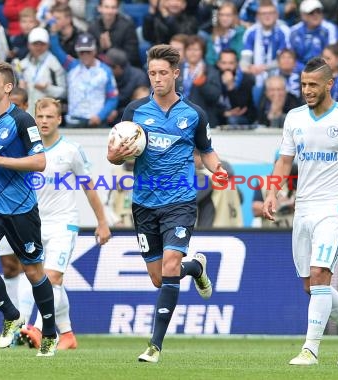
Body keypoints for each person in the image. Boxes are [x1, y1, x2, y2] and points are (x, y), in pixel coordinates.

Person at [263, 56, 338, 366]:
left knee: (320, 275)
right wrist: (272, 191)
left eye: (313, 84)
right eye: (303, 84)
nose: (307, 90)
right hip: (303, 207)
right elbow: (283, 160)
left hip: (336, 205)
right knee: (310, 285)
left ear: (330, 84)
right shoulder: (294, 118)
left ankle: (311, 349)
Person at [107, 44, 226, 363]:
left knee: (170, 266)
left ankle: (154, 345)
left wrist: (219, 170)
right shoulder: (134, 111)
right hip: (144, 203)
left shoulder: (194, 115)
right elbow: (113, 153)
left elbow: (207, 150)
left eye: (163, 73)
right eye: (152, 73)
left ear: (176, 73)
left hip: (180, 202)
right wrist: (116, 155)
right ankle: (196, 266)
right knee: (160, 277)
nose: (157, 79)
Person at [0, 61, 58, 357]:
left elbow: (39, 162)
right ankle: (11, 315)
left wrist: (2, 161)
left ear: (7, 88)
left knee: (33, 272)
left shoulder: (22, 120)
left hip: (21, 209)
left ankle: (50, 334)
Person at [20, 97, 112, 350]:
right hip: (34, 226)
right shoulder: (25, 149)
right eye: (40, 117)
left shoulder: (71, 150)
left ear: (59, 119)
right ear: (34, 119)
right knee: (47, 282)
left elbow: (89, 188)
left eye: (50, 117)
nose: (44, 121)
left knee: (52, 278)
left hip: (64, 223)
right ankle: (68, 335)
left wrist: (102, 222)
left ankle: (37, 329)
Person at [50, 32, 119, 128]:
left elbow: (112, 98)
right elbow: (55, 49)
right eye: (82, 52)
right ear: (77, 52)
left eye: (88, 51)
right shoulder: (71, 66)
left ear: (94, 51)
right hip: (74, 120)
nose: (85, 55)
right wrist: (53, 30)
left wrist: (100, 116)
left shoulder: (105, 71)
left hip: (95, 122)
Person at [20, 27, 67, 116]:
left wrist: (47, 89)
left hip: (47, 115)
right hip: (26, 114)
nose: (38, 47)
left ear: (48, 45)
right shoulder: (22, 65)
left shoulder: (54, 65)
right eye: (35, 44)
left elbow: (64, 92)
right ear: (28, 45)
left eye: (42, 44)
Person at [87, 0, 140, 68]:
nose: (109, 11)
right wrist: (101, 48)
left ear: (117, 9)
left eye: (113, 7)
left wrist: (110, 48)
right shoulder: (93, 27)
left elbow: (133, 57)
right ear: (99, 8)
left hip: (121, 69)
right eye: (106, 7)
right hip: (98, 69)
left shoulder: (127, 26)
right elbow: (88, 55)